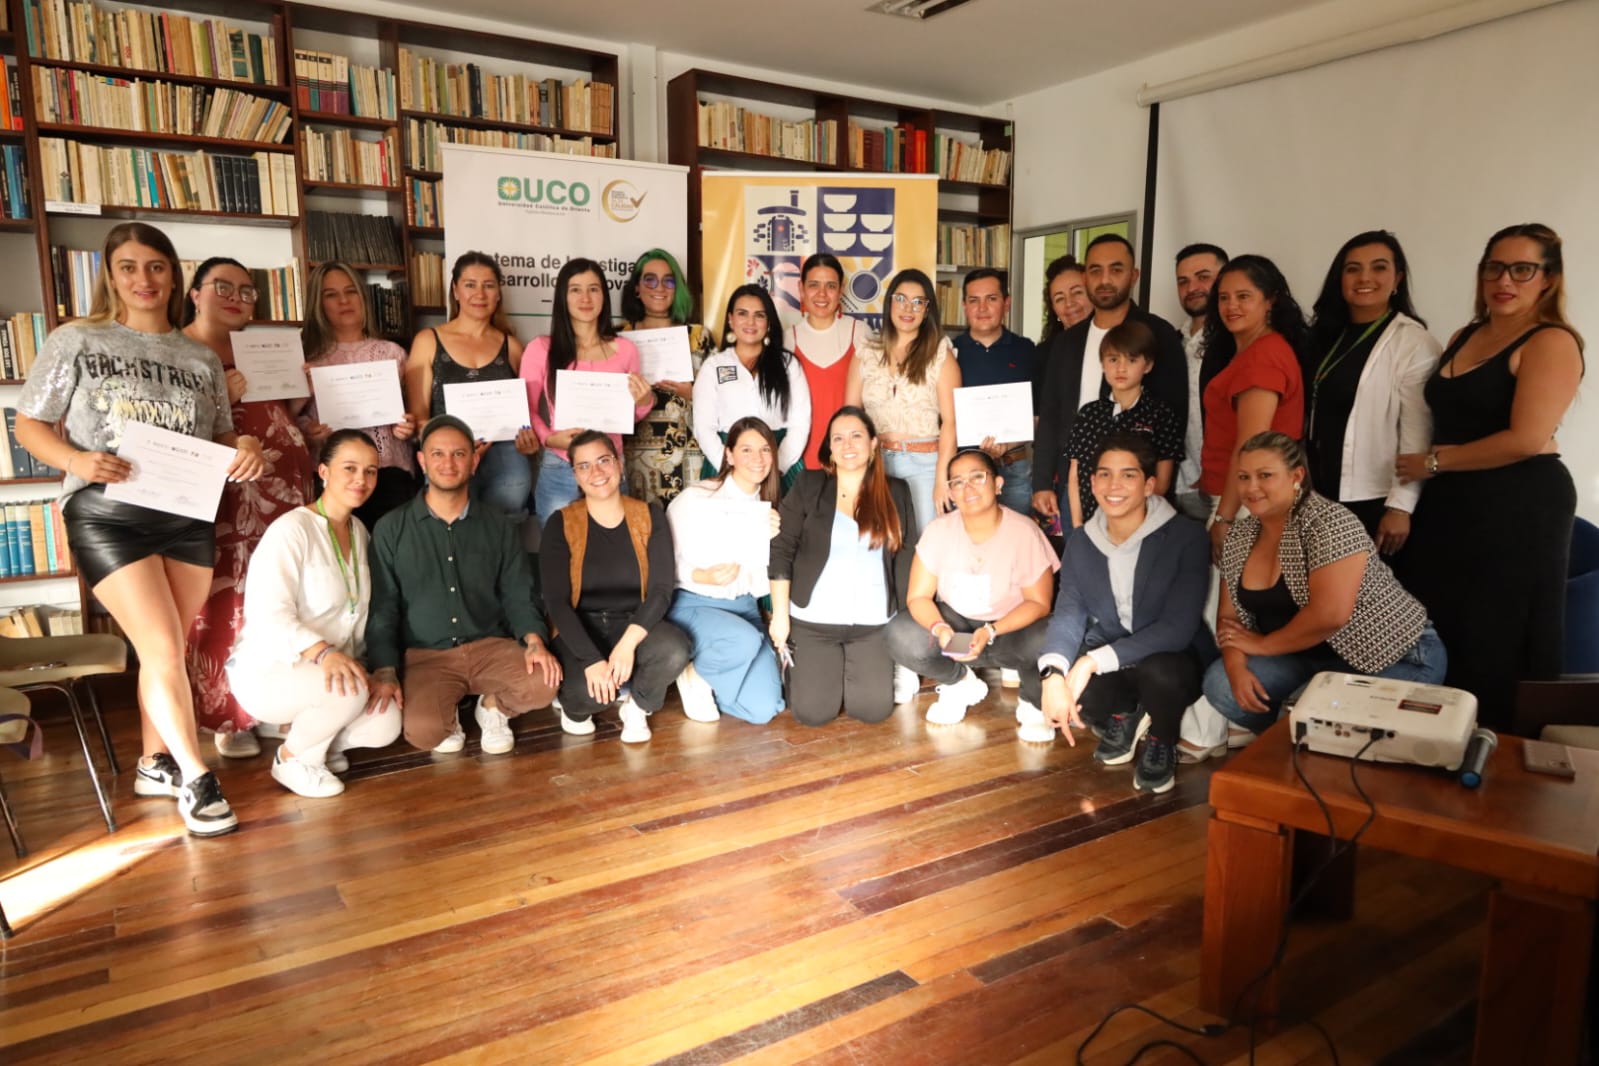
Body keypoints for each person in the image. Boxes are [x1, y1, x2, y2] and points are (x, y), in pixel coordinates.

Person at [14, 222, 266, 836]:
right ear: (110, 275)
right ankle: (198, 780)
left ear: (174, 276)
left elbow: (220, 435)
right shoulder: (77, 340)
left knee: (169, 648)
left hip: (186, 513)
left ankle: (155, 764)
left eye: (155, 267)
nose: (143, 279)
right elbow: (29, 423)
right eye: (128, 267)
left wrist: (246, 447)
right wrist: (75, 460)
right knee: (159, 647)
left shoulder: (200, 357)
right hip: (109, 515)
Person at [1398, 223, 1583, 731]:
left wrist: (1434, 463)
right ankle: (1434, 744)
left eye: (1522, 269)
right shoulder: (1464, 335)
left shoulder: (1551, 341)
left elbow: (1526, 439)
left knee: (1497, 638)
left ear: (1548, 278)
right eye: (1494, 268)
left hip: (1519, 505)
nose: (1505, 280)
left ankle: (1499, 756)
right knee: (1439, 627)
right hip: (1452, 502)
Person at [1205, 432, 1447, 739]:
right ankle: (1297, 743)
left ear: (1296, 476)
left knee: (1302, 717)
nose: (1251, 488)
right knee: (1222, 685)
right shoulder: (1240, 535)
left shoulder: (1329, 521)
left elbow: (1329, 615)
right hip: (1308, 657)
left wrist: (1263, 646)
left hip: (1395, 655)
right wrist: (1236, 668)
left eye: (1265, 475)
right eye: (1243, 477)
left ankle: (1305, 745)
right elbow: (1229, 620)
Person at [182, 256, 313, 760]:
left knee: (280, 598)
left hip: (284, 493)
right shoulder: (179, 350)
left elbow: (277, 414)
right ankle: (230, 717)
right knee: (226, 602)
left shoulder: (258, 350)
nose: (236, 297)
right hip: (227, 498)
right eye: (223, 286)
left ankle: (277, 704)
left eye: (246, 290)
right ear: (195, 293)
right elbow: (170, 427)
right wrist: (220, 394)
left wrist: (300, 409)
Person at [366, 414, 561, 754]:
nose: (448, 463)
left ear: (474, 461)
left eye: (459, 454)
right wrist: (385, 668)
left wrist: (534, 641)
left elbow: (517, 593)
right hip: (427, 656)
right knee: (425, 732)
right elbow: (384, 606)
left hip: (490, 646)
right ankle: (447, 714)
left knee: (545, 682)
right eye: (438, 454)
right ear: (422, 461)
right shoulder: (391, 528)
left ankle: (493, 707)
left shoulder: (498, 525)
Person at [225, 431, 402, 797]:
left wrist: (375, 670)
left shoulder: (360, 532)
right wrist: (323, 653)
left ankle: (314, 743)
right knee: (351, 692)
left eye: (370, 471)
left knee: (386, 721)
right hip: (273, 668)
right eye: (349, 468)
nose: (361, 479)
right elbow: (268, 614)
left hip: (333, 671)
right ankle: (292, 759)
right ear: (323, 472)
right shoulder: (292, 530)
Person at [1039, 432, 1212, 793]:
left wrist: (1090, 662)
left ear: (1149, 485)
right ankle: (1128, 713)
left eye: (1128, 475)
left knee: (1160, 673)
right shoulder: (1081, 542)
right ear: (1092, 482)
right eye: (1104, 474)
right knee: (1075, 690)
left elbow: (1177, 628)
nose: (1113, 485)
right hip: (1116, 655)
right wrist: (1053, 673)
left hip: (1174, 659)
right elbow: (1068, 613)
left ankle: (1162, 737)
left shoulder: (1186, 536)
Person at [885, 449, 1057, 734]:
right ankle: (959, 683)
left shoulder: (1024, 531)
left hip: (1008, 634)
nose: (968, 488)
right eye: (958, 482)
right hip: (958, 634)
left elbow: (1039, 603)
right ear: (950, 492)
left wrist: (991, 631)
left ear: (998, 484)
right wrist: (940, 629)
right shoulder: (938, 530)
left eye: (977, 477)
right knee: (900, 633)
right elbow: (918, 597)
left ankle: (1033, 700)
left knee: (1049, 633)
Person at [769, 406, 918, 726]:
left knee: (873, 711)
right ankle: (802, 667)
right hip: (813, 621)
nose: (847, 445)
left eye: (856, 436)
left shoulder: (896, 490)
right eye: (838, 438)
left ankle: (855, 670)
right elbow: (782, 548)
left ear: (873, 444)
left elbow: (906, 558)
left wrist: (904, 621)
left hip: (872, 623)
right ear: (830, 448)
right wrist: (780, 616)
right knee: (813, 714)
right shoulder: (809, 484)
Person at [540, 432, 691, 742]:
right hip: (581, 626)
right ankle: (575, 709)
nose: (596, 472)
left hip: (634, 622)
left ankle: (638, 706)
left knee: (675, 649)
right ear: (575, 475)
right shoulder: (561, 523)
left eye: (603, 461)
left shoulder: (649, 516)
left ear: (619, 463)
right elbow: (556, 602)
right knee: (590, 695)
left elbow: (661, 590)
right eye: (584, 466)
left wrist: (627, 645)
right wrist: (592, 660)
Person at [1301, 232, 1440, 550]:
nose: (1364, 278)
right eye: (1353, 269)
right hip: (1320, 492)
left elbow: (1418, 433)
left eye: (1378, 267)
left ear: (1397, 279)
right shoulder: (1326, 336)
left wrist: (1400, 507)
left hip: (1374, 499)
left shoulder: (1414, 342)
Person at [1033, 235, 1186, 524]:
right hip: (1076, 487)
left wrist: (1158, 494)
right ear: (1085, 277)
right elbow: (1051, 414)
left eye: (1116, 270)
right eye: (1095, 270)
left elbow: (1174, 418)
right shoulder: (1066, 342)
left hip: (1138, 495)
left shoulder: (1158, 334)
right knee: (1080, 552)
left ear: (1133, 275)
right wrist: (1042, 482)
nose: (1105, 280)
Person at [666, 417, 785, 725]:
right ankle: (696, 674)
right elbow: (663, 560)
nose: (758, 458)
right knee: (744, 640)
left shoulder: (771, 507)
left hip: (744, 607)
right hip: (695, 603)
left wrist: (775, 541)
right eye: (746, 450)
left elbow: (766, 580)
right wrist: (701, 576)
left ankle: (714, 674)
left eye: (765, 449)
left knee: (765, 709)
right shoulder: (696, 498)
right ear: (729, 455)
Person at [404, 252, 538, 522]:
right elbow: (419, 419)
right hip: (449, 459)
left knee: (504, 533)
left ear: (498, 294)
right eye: (470, 285)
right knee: (451, 532)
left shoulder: (512, 346)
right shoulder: (428, 340)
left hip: (506, 461)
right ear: (455, 290)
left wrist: (529, 440)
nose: (480, 294)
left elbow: (527, 416)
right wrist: (460, 445)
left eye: (488, 285)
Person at [521, 257, 654, 525]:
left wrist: (644, 401)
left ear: (604, 296)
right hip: (561, 464)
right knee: (559, 545)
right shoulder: (541, 348)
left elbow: (628, 417)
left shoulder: (625, 350)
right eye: (575, 290)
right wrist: (550, 438)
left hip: (610, 465)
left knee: (613, 544)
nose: (585, 298)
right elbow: (526, 408)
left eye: (594, 289)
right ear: (563, 297)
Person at [1198, 255, 1309, 561]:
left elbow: (1250, 447)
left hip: (1248, 501)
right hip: (1246, 497)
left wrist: (1224, 518)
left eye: (1243, 296)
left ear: (1269, 300)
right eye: (1224, 297)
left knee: (1232, 591)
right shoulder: (1254, 351)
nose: (1231, 306)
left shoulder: (1263, 357)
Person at [295, 261, 418, 530]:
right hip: (334, 477)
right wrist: (308, 430)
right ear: (318, 303)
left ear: (362, 296)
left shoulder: (393, 353)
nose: (344, 301)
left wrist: (408, 427)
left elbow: (415, 414)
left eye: (351, 291)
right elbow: (289, 419)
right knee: (339, 550)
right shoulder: (306, 357)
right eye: (331, 295)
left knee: (391, 550)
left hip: (389, 473)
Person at [846, 268, 959, 533]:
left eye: (918, 302)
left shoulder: (940, 354)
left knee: (923, 542)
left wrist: (941, 479)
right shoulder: (866, 352)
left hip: (924, 465)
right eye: (901, 299)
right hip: (875, 462)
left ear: (927, 309)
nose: (908, 308)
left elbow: (951, 422)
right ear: (890, 303)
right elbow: (850, 416)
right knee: (876, 541)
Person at [1064, 320, 1184, 528]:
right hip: (1091, 523)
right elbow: (1075, 474)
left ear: (1147, 365)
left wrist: (1134, 524)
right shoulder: (1089, 413)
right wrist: (1077, 524)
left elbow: (1162, 481)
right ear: (1103, 364)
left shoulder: (1160, 414)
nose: (1121, 368)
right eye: (1113, 359)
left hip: (1142, 525)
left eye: (1131, 360)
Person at [692, 284, 810, 489]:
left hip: (779, 465)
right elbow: (703, 428)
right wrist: (732, 469)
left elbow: (800, 424)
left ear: (769, 322)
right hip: (725, 466)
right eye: (742, 313)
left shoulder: (788, 365)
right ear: (730, 319)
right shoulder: (713, 366)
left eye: (759, 315)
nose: (750, 322)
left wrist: (775, 467)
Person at [619, 249, 710, 505]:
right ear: (636, 288)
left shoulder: (699, 337)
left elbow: (723, 399)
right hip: (634, 460)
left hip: (687, 459)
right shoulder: (617, 339)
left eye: (668, 281)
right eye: (650, 280)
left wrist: (694, 394)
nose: (659, 287)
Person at [952, 268, 1040, 515]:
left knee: (1015, 535)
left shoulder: (1026, 350)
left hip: (1013, 468)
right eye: (974, 300)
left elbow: (1037, 415)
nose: (982, 308)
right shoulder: (950, 352)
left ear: (1006, 303)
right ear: (964, 305)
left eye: (991, 299)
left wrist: (1007, 443)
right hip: (965, 472)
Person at [789, 253, 874, 470]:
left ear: (841, 290)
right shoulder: (788, 339)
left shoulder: (860, 333)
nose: (822, 294)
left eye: (830, 286)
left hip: (850, 456)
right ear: (801, 289)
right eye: (814, 285)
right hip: (800, 458)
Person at [1172, 243, 1229, 521]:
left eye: (1203, 277)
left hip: (1225, 489)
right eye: (1183, 281)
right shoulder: (1171, 341)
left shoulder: (1235, 343)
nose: (1192, 287)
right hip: (1176, 486)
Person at [1038, 255, 1091, 350]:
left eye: (1077, 292)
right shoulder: (1044, 354)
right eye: (1060, 299)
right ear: (1054, 309)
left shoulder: (1116, 340)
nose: (1069, 303)